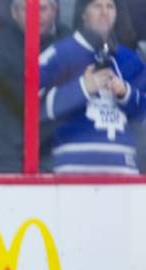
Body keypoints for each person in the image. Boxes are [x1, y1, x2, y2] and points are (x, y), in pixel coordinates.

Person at [40, 0, 146, 174]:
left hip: (124, 171)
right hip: (71, 169)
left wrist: (125, 93)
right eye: (97, 6)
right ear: (83, 15)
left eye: (110, 6)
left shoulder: (130, 59)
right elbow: (30, 108)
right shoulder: (58, 54)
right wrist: (82, 87)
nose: (105, 12)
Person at [0, 0, 70, 172]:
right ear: (14, 13)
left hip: (60, 147)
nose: (36, 16)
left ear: (55, 11)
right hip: (10, 151)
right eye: (28, 10)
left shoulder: (70, 43)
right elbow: (5, 97)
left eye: (43, 9)